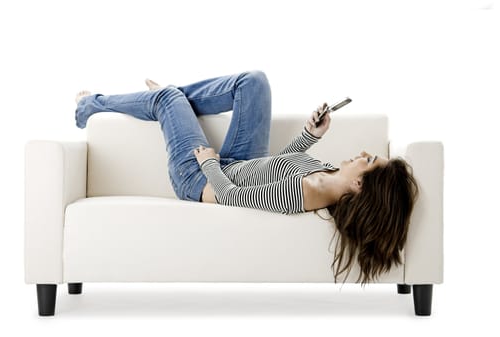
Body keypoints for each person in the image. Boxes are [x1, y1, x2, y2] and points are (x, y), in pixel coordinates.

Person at [74, 71, 419, 284]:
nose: (362, 154)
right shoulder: (327, 177)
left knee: (167, 98)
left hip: (199, 179)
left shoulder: (305, 194)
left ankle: (91, 105)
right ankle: (171, 100)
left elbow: (229, 197)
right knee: (253, 82)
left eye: (368, 160)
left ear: (360, 184)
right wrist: (311, 134)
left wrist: (208, 161)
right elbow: (281, 165)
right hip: (241, 163)